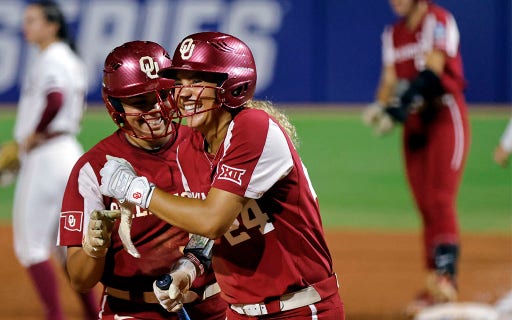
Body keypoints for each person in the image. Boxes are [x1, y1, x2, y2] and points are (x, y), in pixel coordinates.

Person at [99, 31, 345, 319]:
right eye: (179, 82)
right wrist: (187, 269)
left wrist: (138, 190)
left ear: (231, 85)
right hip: (237, 312)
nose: (184, 92)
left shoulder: (252, 128)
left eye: (197, 81)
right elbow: (206, 236)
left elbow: (213, 220)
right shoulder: (188, 148)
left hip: (299, 309)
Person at [57, 40, 226, 319]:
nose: (156, 109)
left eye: (163, 95)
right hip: (132, 311)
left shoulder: (206, 144)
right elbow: (79, 279)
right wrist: (93, 249)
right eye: (140, 102)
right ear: (115, 106)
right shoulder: (94, 168)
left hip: (213, 307)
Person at [361, 0, 470, 314]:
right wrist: (381, 106)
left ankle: (446, 276)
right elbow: (390, 81)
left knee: (439, 199)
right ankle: (434, 284)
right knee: (424, 203)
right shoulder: (393, 33)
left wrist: (399, 106)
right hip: (415, 123)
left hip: (444, 117)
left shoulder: (438, 20)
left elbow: (433, 73)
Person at [14, 1, 98, 319]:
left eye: (33, 20)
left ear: (53, 25)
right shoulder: (70, 58)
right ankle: (93, 313)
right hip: (69, 155)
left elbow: (55, 98)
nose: (27, 26)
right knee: (65, 245)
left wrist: (35, 133)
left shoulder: (50, 58)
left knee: (31, 246)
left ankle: (54, 316)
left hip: (47, 155)